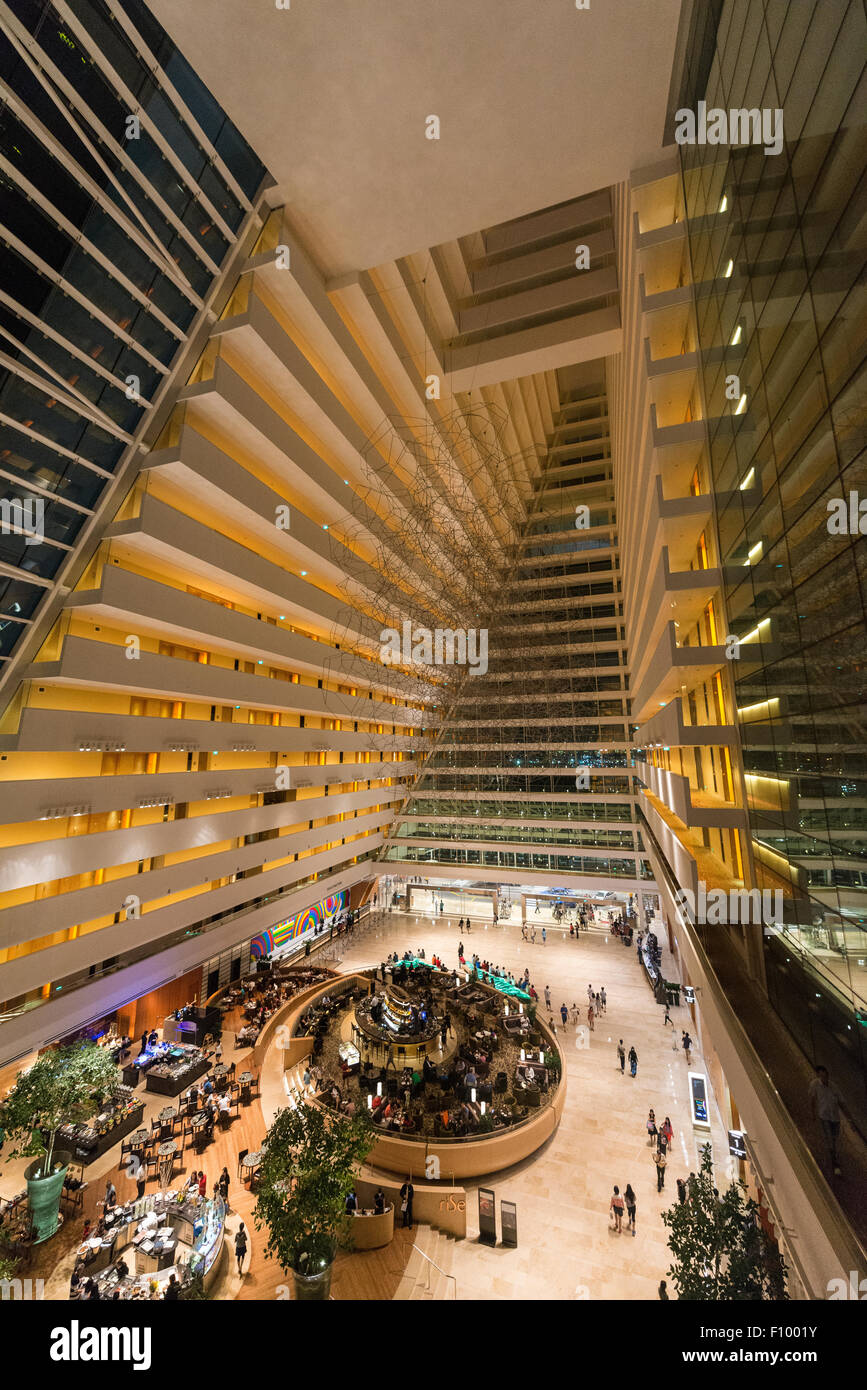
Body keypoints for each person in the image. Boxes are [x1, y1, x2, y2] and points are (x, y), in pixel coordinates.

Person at [809, 1065, 843, 1175]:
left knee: (833, 1139)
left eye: (825, 1075)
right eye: (821, 1076)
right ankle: (835, 1164)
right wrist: (813, 1113)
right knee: (830, 1139)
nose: (823, 1078)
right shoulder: (815, 1085)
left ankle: (833, 1154)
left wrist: (850, 1119)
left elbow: (841, 1102)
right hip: (824, 1117)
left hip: (835, 1118)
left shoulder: (833, 1087)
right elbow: (813, 1099)